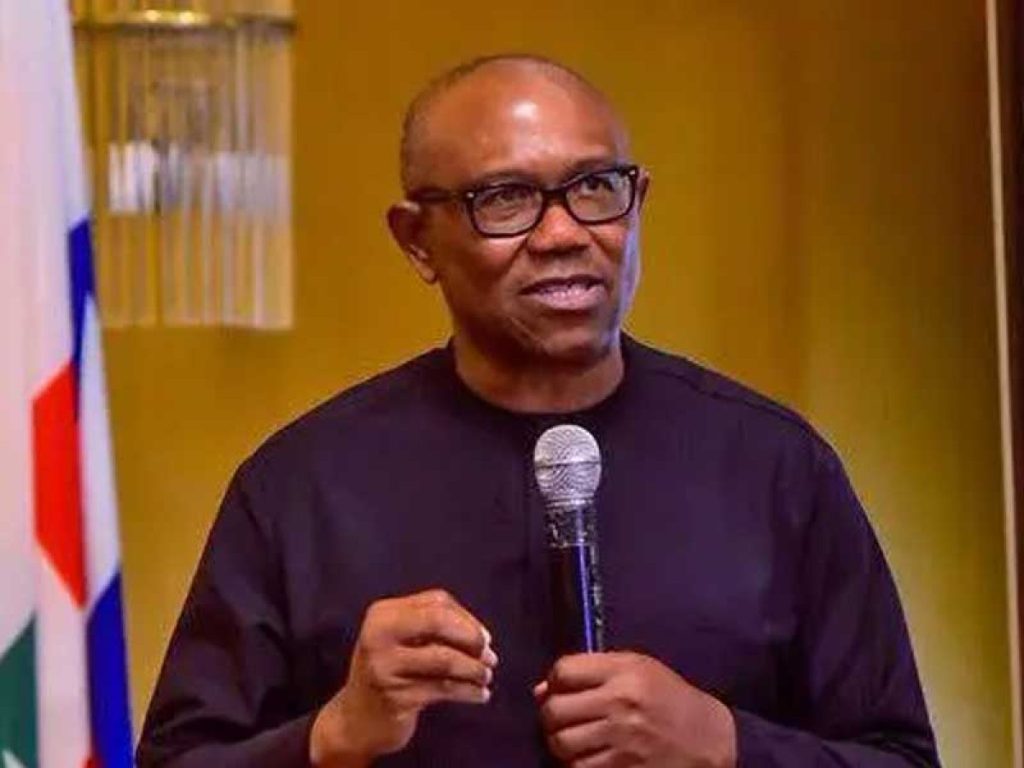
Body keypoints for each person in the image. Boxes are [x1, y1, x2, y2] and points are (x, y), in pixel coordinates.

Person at [137, 54, 940, 767]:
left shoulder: (775, 468)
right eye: (506, 198)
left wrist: (726, 745)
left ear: (637, 203)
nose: (563, 233)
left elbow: (900, 757)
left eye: (596, 188)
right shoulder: (305, 487)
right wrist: (336, 734)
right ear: (416, 240)